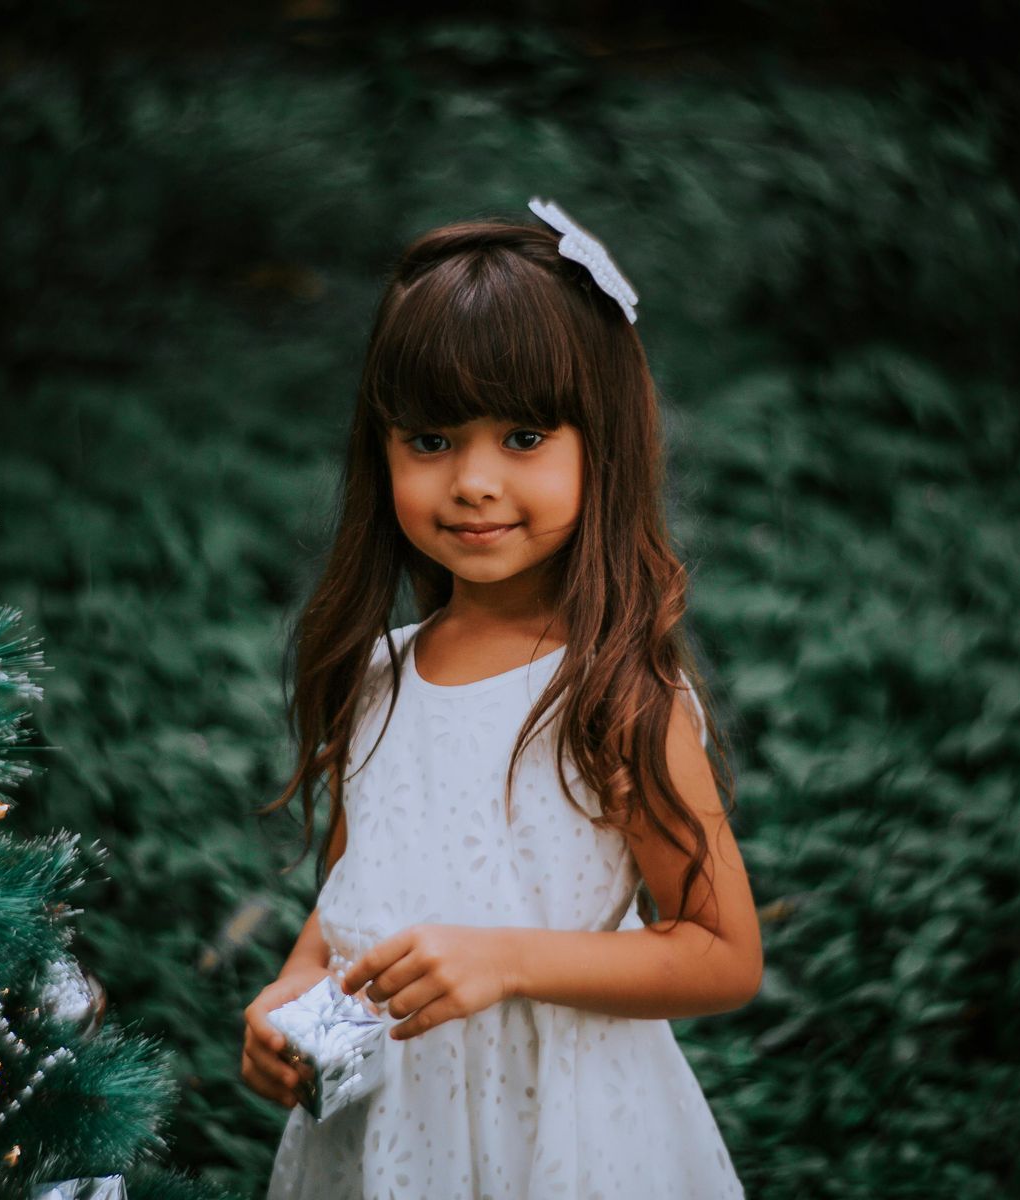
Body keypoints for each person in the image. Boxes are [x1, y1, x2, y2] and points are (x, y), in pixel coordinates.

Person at [242, 198, 759, 1199]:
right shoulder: (378, 673)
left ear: (599, 446)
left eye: (523, 436)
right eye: (430, 441)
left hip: (561, 1129)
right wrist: (296, 987)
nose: (473, 481)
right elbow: (355, 884)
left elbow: (721, 952)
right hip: (388, 1121)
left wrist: (507, 961)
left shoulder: (610, 695)